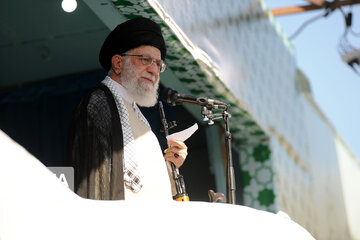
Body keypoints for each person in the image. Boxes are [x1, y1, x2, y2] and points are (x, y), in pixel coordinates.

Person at [66, 17, 188, 201]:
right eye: (146, 59)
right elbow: (94, 185)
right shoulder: (98, 103)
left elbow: (143, 186)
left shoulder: (138, 116)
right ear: (118, 63)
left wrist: (170, 167)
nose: (153, 70)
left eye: (158, 64)